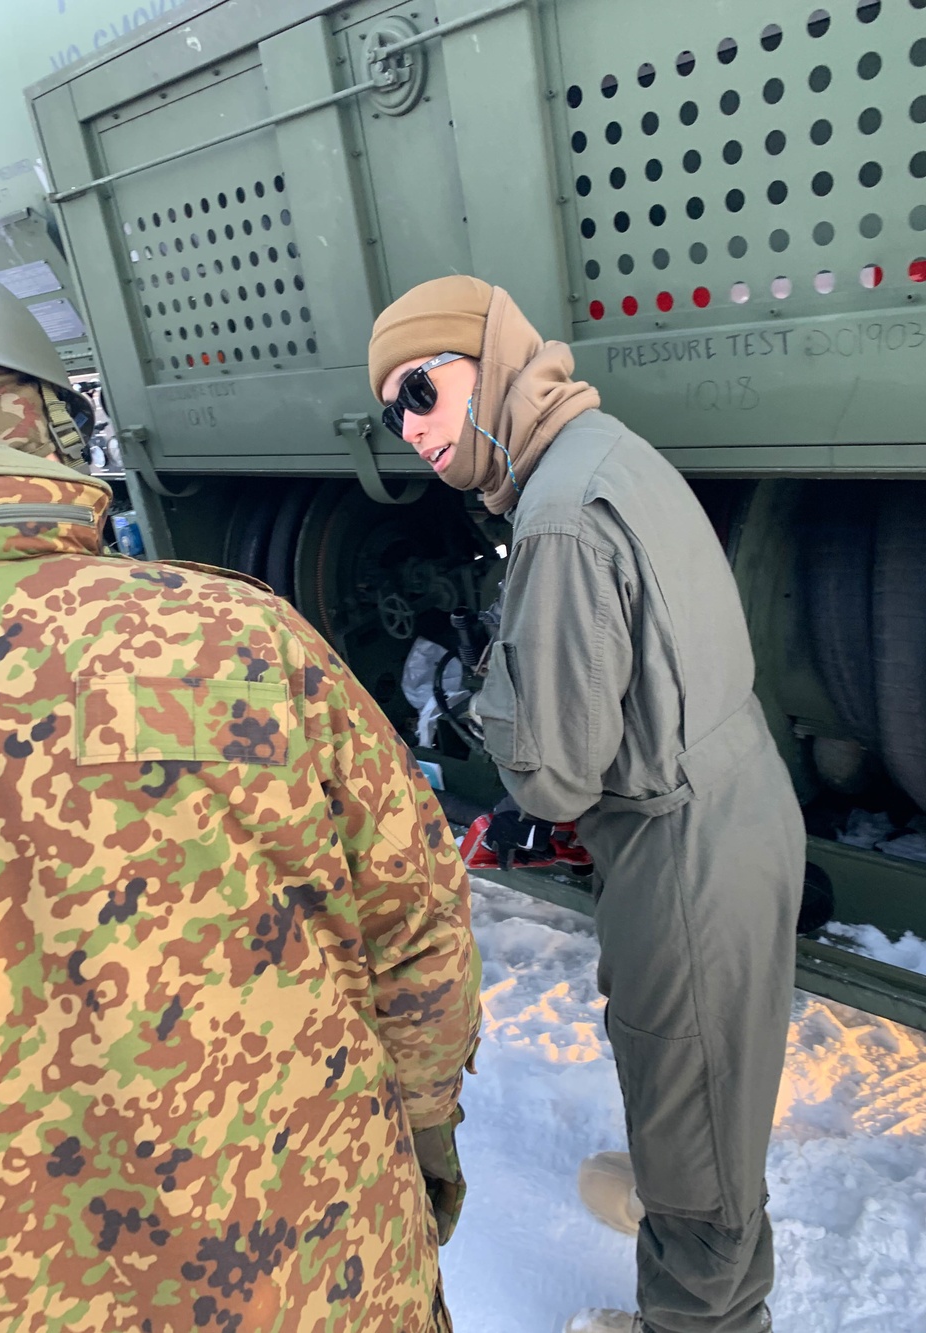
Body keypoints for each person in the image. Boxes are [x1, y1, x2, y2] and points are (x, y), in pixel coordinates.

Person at [0, 249, 480, 1333]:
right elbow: (415, 919)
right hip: (327, 1266)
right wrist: (422, 1129)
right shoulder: (239, 635)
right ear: (46, 427)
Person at [368, 276, 804, 1333]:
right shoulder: (594, 446)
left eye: (421, 390)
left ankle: (699, 1304)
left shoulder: (557, 518)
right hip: (727, 805)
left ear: (489, 354)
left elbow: (555, 774)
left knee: (694, 1096)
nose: (410, 428)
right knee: (703, 1074)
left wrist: (482, 693)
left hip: (681, 848)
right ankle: (680, 1191)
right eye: (391, 411)